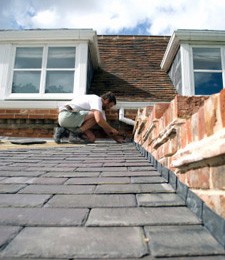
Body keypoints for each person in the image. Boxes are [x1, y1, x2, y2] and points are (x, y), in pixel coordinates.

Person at [54, 92, 124, 144]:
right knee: (96, 116)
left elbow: (104, 126)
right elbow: (99, 120)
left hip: (69, 119)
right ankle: (74, 133)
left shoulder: (99, 109)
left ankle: (65, 131)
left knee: (91, 139)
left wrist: (116, 139)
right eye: (110, 105)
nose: (109, 108)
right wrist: (112, 129)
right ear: (106, 101)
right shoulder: (97, 100)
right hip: (67, 115)